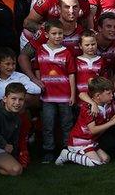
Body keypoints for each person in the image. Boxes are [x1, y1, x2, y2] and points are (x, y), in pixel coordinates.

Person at [19, 19, 76, 163]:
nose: (58, 36)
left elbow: (71, 74)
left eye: (60, 34)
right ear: (46, 34)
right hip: (48, 97)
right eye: (54, 33)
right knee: (48, 125)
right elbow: (37, 69)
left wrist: (73, 94)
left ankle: (67, 150)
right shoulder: (40, 50)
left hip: (64, 96)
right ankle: (48, 151)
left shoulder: (67, 53)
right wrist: (39, 85)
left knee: (66, 124)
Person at [55, 76, 115, 167]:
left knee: (106, 159)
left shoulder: (108, 103)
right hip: (79, 140)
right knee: (95, 163)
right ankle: (67, 154)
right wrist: (112, 122)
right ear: (98, 96)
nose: (112, 95)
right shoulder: (88, 108)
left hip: (91, 140)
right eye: (109, 93)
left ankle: (82, 153)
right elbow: (93, 130)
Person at [75, 29, 107, 111]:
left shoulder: (101, 61)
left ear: (97, 43)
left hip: (96, 99)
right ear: (80, 46)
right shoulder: (76, 61)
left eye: (93, 44)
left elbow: (104, 81)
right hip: (79, 99)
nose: (90, 47)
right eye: (87, 45)